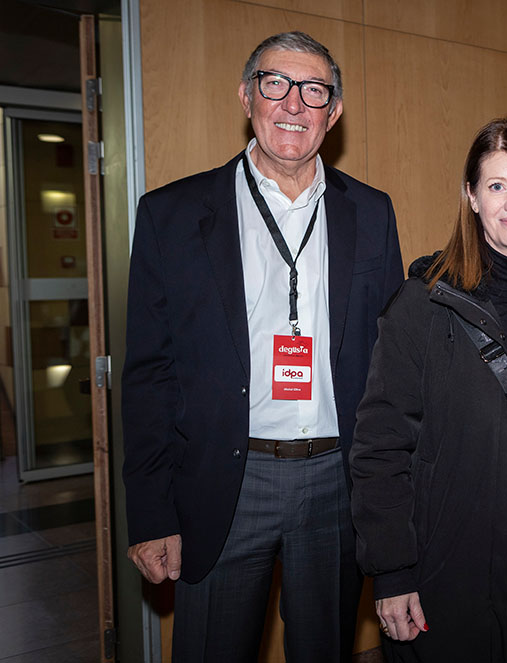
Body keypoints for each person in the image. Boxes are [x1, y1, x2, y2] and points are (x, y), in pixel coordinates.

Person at [121, 31, 403, 662]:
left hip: (336, 482)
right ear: (246, 97)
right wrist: (151, 512)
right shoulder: (172, 214)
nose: (293, 104)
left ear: (334, 112)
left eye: (313, 91)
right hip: (223, 480)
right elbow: (148, 376)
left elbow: (391, 366)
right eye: (276, 84)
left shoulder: (372, 213)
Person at [349, 118, 507, 662]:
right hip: (449, 578)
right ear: (471, 197)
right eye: (496, 185)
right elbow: (380, 446)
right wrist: (392, 571)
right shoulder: (423, 303)